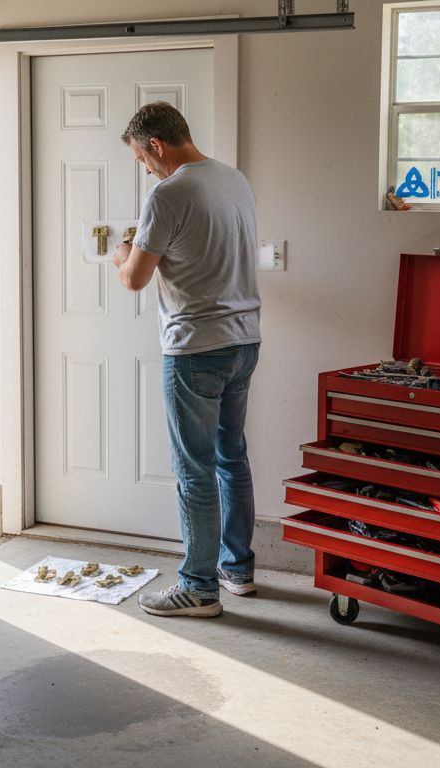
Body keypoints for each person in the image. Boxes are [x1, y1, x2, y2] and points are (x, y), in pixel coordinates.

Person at [112, 102, 261, 618]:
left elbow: (135, 278)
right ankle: (237, 569)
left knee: (194, 470)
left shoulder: (168, 193)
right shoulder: (233, 179)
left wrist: (121, 254)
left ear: (156, 144)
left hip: (196, 348)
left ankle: (198, 587)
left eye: (141, 157)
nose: (144, 169)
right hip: (244, 340)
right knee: (231, 457)